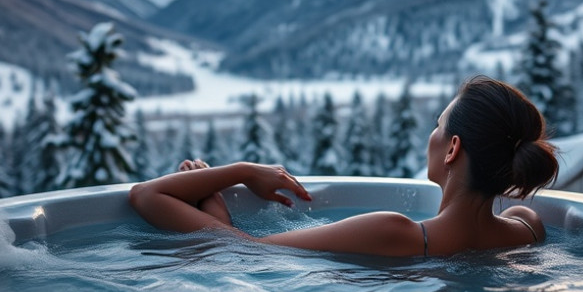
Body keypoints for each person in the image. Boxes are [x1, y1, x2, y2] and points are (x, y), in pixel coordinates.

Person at [128, 76, 559, 257]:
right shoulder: (529, 227)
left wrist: (239, 172)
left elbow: (244, 251)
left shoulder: (395, 232)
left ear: (452, 149)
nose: (432, 134)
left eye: (438, 125)